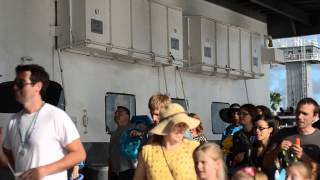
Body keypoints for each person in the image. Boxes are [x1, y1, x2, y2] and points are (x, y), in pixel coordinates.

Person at [0, 64, 86, 180]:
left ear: (37, 86)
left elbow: (79, 154)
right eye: (15, 84)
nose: (15, 87)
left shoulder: (56, 116)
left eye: (21, 83)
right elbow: (9, 163)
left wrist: (44, 170)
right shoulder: (13, 121)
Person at [133, 103, 200, 180]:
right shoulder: (147, 152)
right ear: (165, 127)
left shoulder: (194, 148)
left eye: (184, 125)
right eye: (178, 125)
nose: (182, 130)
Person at [264, 98, 320, 175]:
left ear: (315, 116)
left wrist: (304, 157)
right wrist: (277, 150)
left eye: (305, 114)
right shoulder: (282, 134)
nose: (299, 116)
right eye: (298, 112)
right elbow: (266, 163)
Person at [109, 106, 136, 180]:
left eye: (120, 112)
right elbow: (110, 155)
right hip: (115, 173)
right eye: (116, 113)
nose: (116, 114)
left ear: (127, 116)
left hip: (129, 171)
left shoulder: (133, 128)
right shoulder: (114, 133)